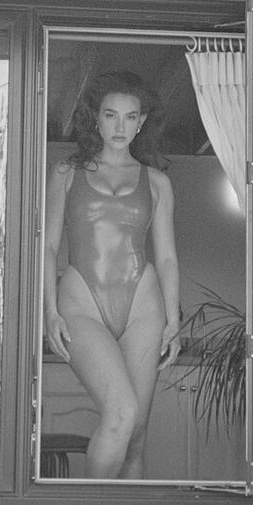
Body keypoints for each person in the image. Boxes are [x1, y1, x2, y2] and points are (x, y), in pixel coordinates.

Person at [43, 70, 181, 479]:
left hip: (143, 305)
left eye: (130, 117)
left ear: (141, 122)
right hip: (81, 301)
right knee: (120, 413)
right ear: (97, 119)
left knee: (135, 435)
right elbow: (47, 247)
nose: (120, 126)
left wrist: (174, 320)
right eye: (110, 115)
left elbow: (168, 258)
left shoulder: (158, 183)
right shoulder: (66, 173)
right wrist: (49, 312)